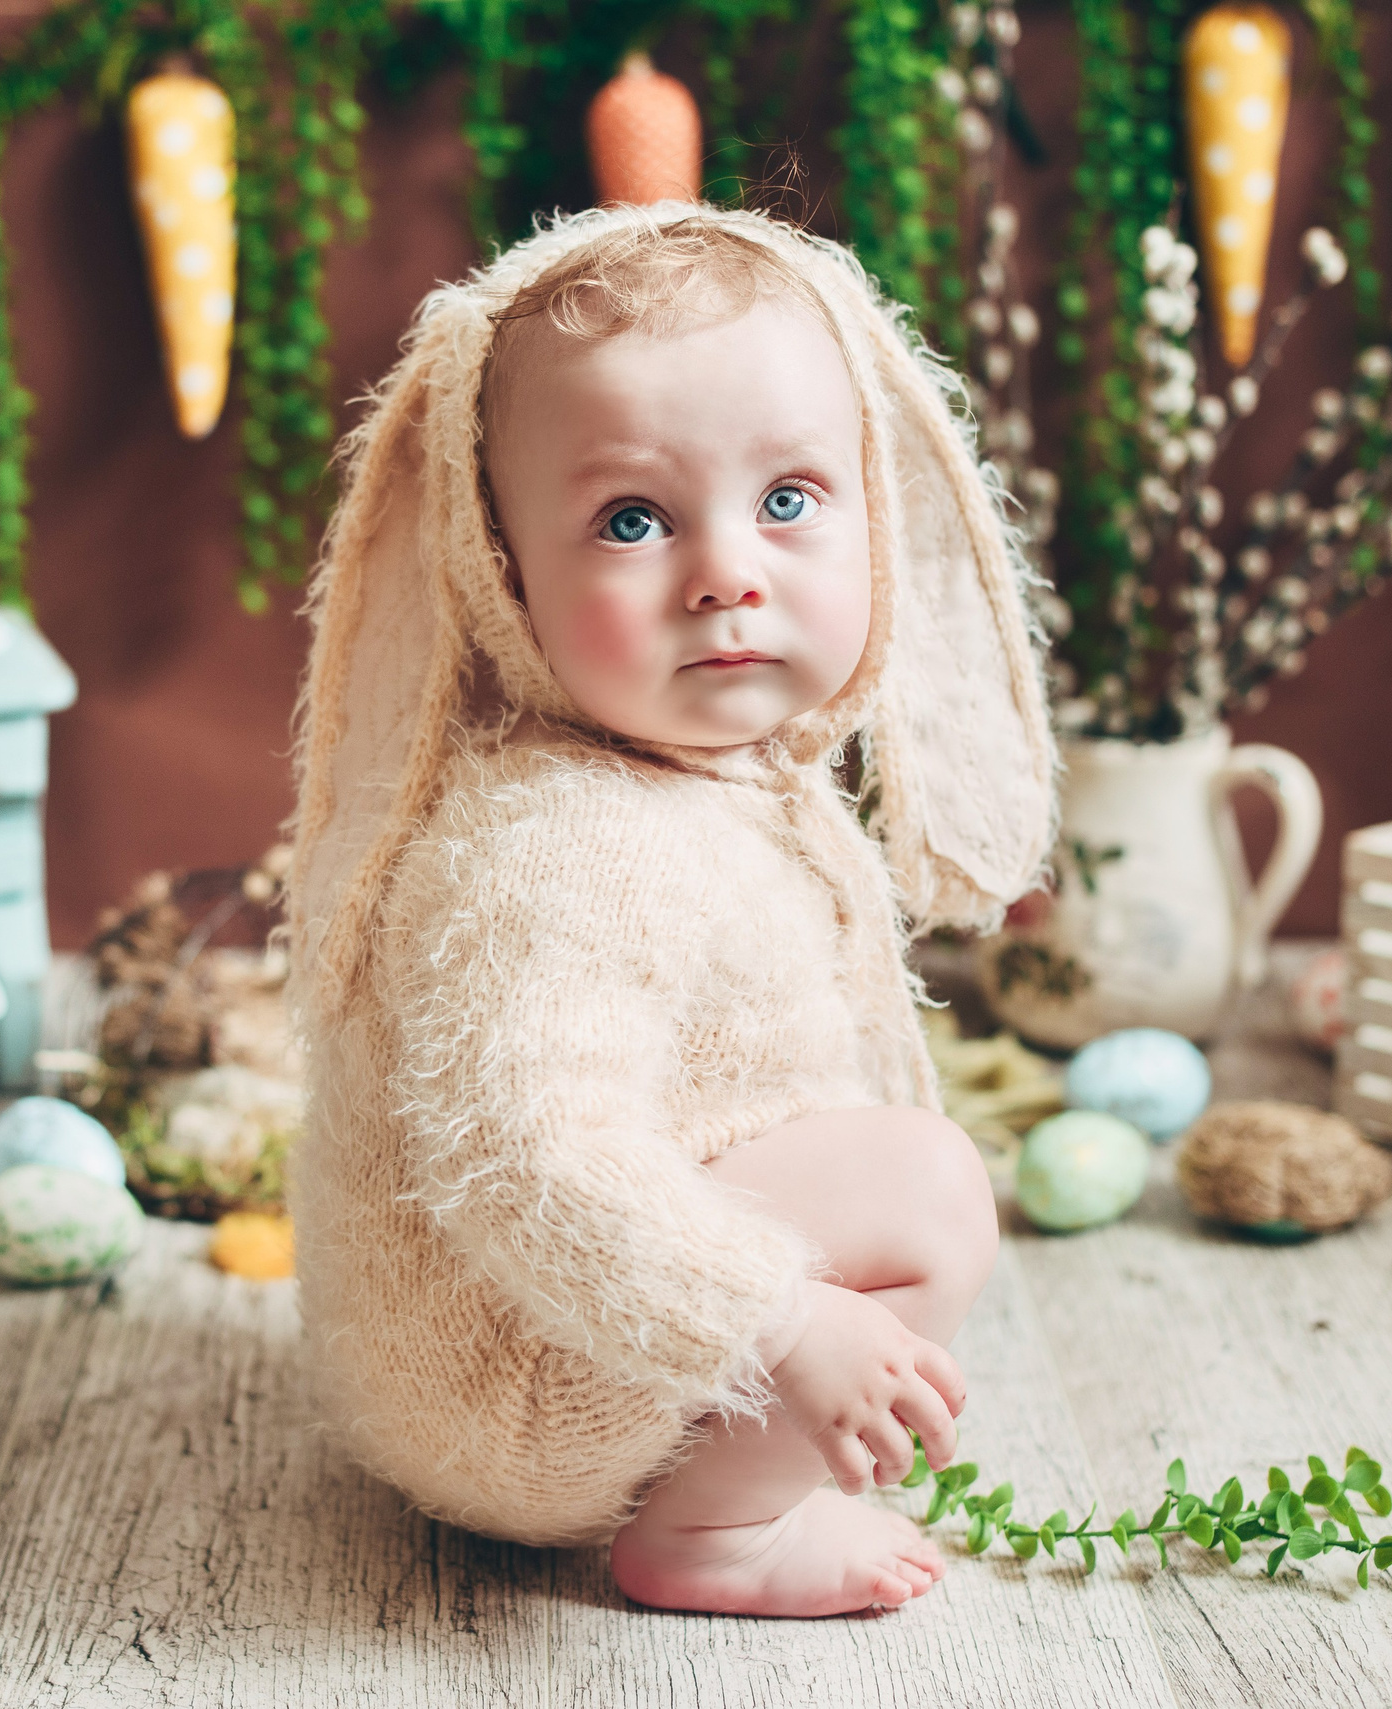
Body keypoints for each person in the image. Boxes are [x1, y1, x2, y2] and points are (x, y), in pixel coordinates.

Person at [284, 205, 1055, 1617]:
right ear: (502, 571)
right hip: (504, 1372)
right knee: (927, 1188)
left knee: (890, 1172)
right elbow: (530, 1162)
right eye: (632, 519)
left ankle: (726, 1444)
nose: (727, 573)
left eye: (789, 499)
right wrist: (781, 1315)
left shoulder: (712, 784)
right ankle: (712, 1531)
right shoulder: (567, 843)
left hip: (555, 1315)